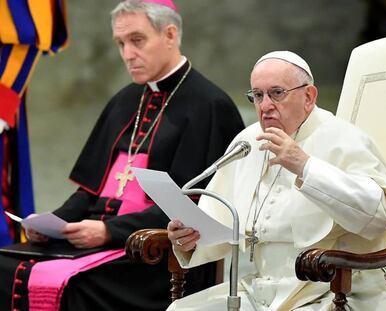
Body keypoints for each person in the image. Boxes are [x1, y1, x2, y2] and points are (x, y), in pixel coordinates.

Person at [0, 1, 244, 310]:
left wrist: (108, 231)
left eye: (137, 40)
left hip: (156, 255)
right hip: (94, 244)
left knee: (74, 284)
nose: (127, 54)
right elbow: (88, 193)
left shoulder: (210, 106)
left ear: (169, 35)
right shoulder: (125, 100)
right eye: (120, 43)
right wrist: (51, 223)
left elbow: (195, 208)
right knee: (5, 266)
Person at [167, 50, 386, 310]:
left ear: (309, 96)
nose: (265, 105)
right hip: (259, 292)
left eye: (277, 93)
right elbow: (217, 223)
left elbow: (381, 212)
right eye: (258, 95)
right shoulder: (247, 142)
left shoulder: (345, 139)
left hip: (336, 291)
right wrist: (188, 238)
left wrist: (305, 166)